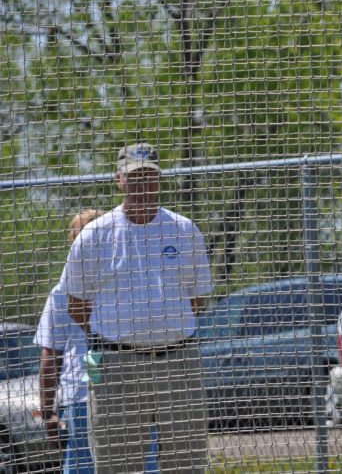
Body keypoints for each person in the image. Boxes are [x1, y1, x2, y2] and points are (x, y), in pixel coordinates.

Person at [64, 143, 213, 474]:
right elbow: (76, 304)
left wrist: (163, 329)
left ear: (159, 180)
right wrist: (116, 336)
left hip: (179, 363)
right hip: (115, 367)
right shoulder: (93, 237)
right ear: (118, 180)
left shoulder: (185, 230)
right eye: (134, 178)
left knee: (186, 463)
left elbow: (196, 298)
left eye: (150, 177)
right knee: (116, 464)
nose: (143, 186)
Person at [36, 210, 161, 474]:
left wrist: (48, 412)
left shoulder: (65, 292)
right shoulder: (135, 282)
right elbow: (50, 357)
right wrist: (47, 410)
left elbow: (50, 357)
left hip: (108, 394)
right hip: (112, 394)